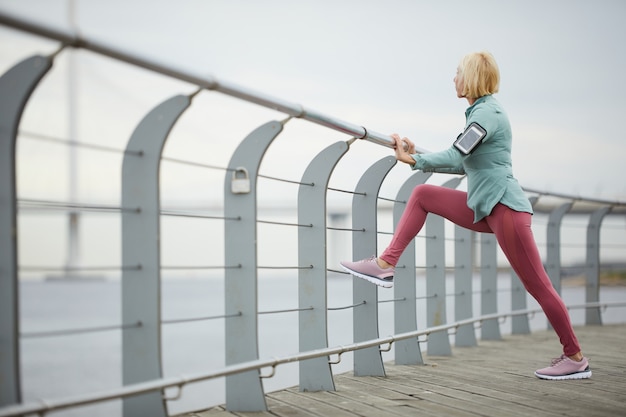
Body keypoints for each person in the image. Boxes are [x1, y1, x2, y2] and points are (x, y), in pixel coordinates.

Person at [340, 51, 591, 381]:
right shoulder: (480, 114)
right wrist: (416, 157)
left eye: (457, 72)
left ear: (471, 77)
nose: (453, 78)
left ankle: (575, 357)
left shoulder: (488, 114)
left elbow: (457, 155)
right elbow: (462, 163)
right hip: (485, 207)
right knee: (423, 195)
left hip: (504, 209)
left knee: (539, 286)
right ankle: (386, 265)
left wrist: (414, 160)